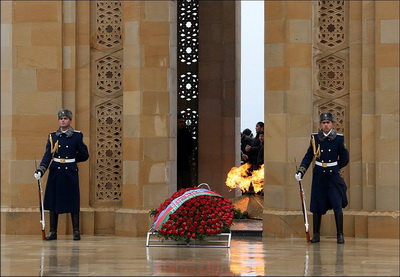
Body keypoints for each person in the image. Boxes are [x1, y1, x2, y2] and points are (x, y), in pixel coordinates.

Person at [34, 109, 89, 241]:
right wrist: (41, 170)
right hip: (56, 172)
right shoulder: (53, 136)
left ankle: (76, 231)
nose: (63, 120)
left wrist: (72, 160)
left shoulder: (77, 136)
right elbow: (48, 155)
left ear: (70, 120)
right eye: (61, 118)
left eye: (65, 118)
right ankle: (53, 231)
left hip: (70, 171)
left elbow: (84, 155)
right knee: (54, 201)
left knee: (73, 201)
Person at [295, 112, 349, 244]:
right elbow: (309, 157)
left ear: (333, 124)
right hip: (319, 174)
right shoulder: (315, 139)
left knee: (337, 204)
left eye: (328, 123)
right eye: (323, 123)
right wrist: (301, 171)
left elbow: (345, 158)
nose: (326, 125)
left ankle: (340, 234)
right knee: (317, 205)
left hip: (333, 175)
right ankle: (317, 234)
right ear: (320, 125)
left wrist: (335, 167)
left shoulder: (339, 139)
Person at [177, 114, 194, 190]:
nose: (182, 124)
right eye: (180, 122)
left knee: (186, 179)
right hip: (176, 159)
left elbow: (190, 144)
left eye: (182, 122)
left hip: (184, 160)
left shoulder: (185, 132)